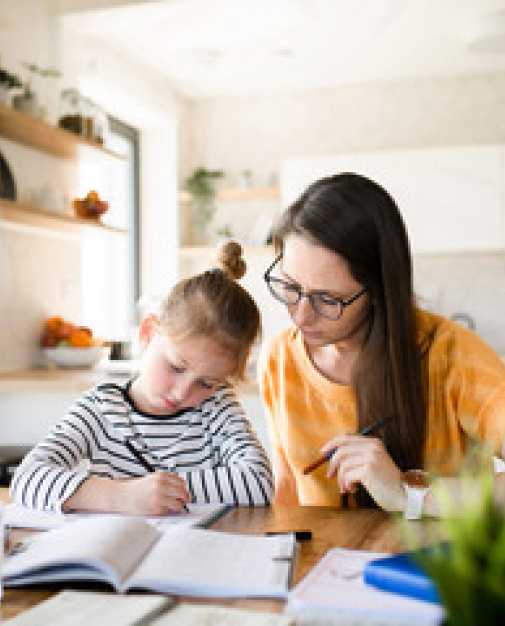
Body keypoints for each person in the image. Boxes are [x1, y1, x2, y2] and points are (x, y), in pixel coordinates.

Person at [258, 172, 505, 515]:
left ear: (377, 291)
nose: (300, 316)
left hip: (431, 565)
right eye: (290, 287)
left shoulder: (453, 354)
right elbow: (286, 497)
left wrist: (410, 495)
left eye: (327, 299)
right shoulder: (278, 358)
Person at [12, 242, 273, 515]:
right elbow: (27, 479)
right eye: (176, 367)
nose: (183, 393)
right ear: (148, 332)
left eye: (206, 383)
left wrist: (159, 492)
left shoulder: (217, 406)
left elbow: (260, 483)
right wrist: (121, 496)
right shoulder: (100, 408)